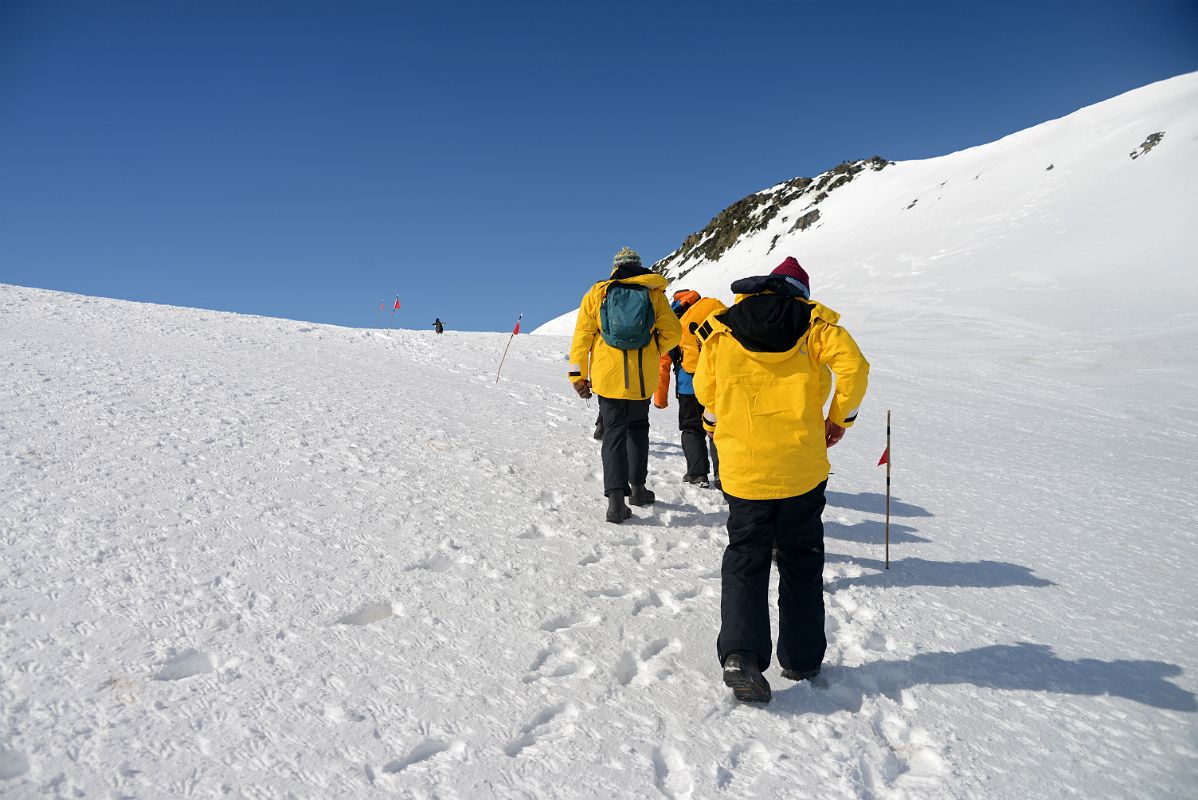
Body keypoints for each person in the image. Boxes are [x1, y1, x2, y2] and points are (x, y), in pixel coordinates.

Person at [693, 256, 869, 703]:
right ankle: (802, 658)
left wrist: (717, 429)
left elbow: (705, 392)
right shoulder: (815, 324)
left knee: (745, 557)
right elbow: (855, 367)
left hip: (743, 468)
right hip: (801, 466)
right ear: (799, 292)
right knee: (801, 558)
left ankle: (741, 655)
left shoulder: (722, 327)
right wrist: (838, 420)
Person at [569, 247, 682, 523]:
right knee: (638, 429)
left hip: (608, 378)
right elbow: (674, 332)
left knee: (613, 434)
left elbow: (582, 337)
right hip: (642, 379)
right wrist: (653, 348)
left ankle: (615, 503)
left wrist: (578, 375)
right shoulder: (653, 293)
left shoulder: (598, 293)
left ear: (615, 268)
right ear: (638, 266)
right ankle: (638, 489)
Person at [656, 289, 727, 489]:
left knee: (691, 429)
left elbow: (663, 361)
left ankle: (697, 474)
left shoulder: (672, 318)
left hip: (689, 384)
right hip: (718, 382)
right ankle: (723, 474)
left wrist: (661, 398)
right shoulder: (714, 306)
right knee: (718, 428)